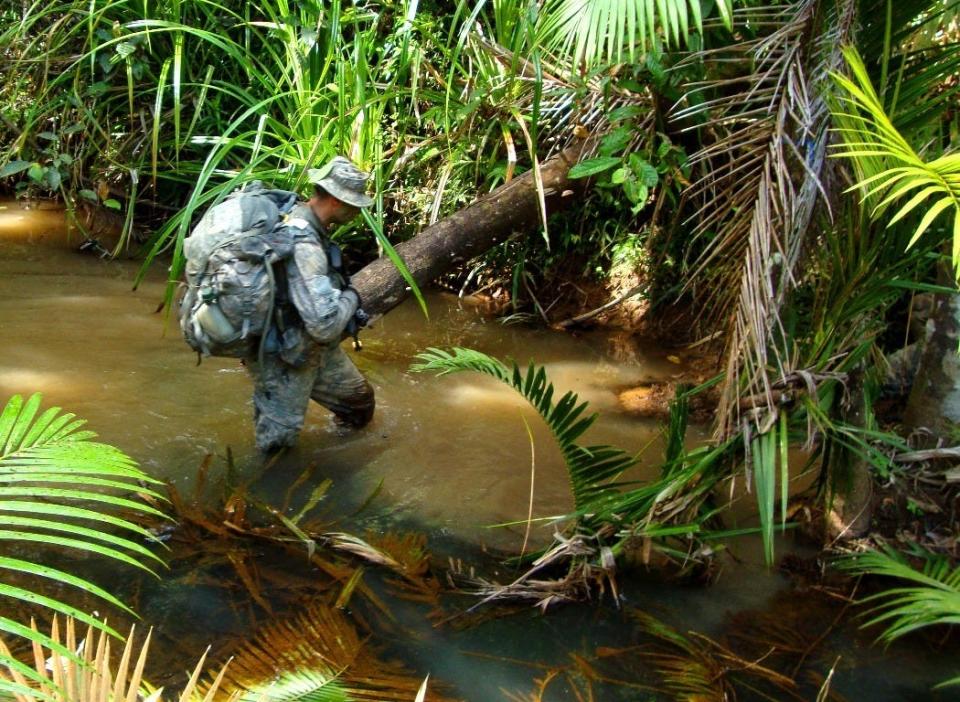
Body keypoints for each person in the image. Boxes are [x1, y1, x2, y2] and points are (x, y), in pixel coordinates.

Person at [246, 156, 375, 452]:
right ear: (333, 199)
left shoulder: (298, 216)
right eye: (354, 204)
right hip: (282, 354)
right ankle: (261, 494)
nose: (357, 211)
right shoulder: (304, 242)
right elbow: (325, 325)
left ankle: (332, 461)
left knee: (359, 405)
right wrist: (352, 297)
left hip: (309, 347)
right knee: (277, 445)